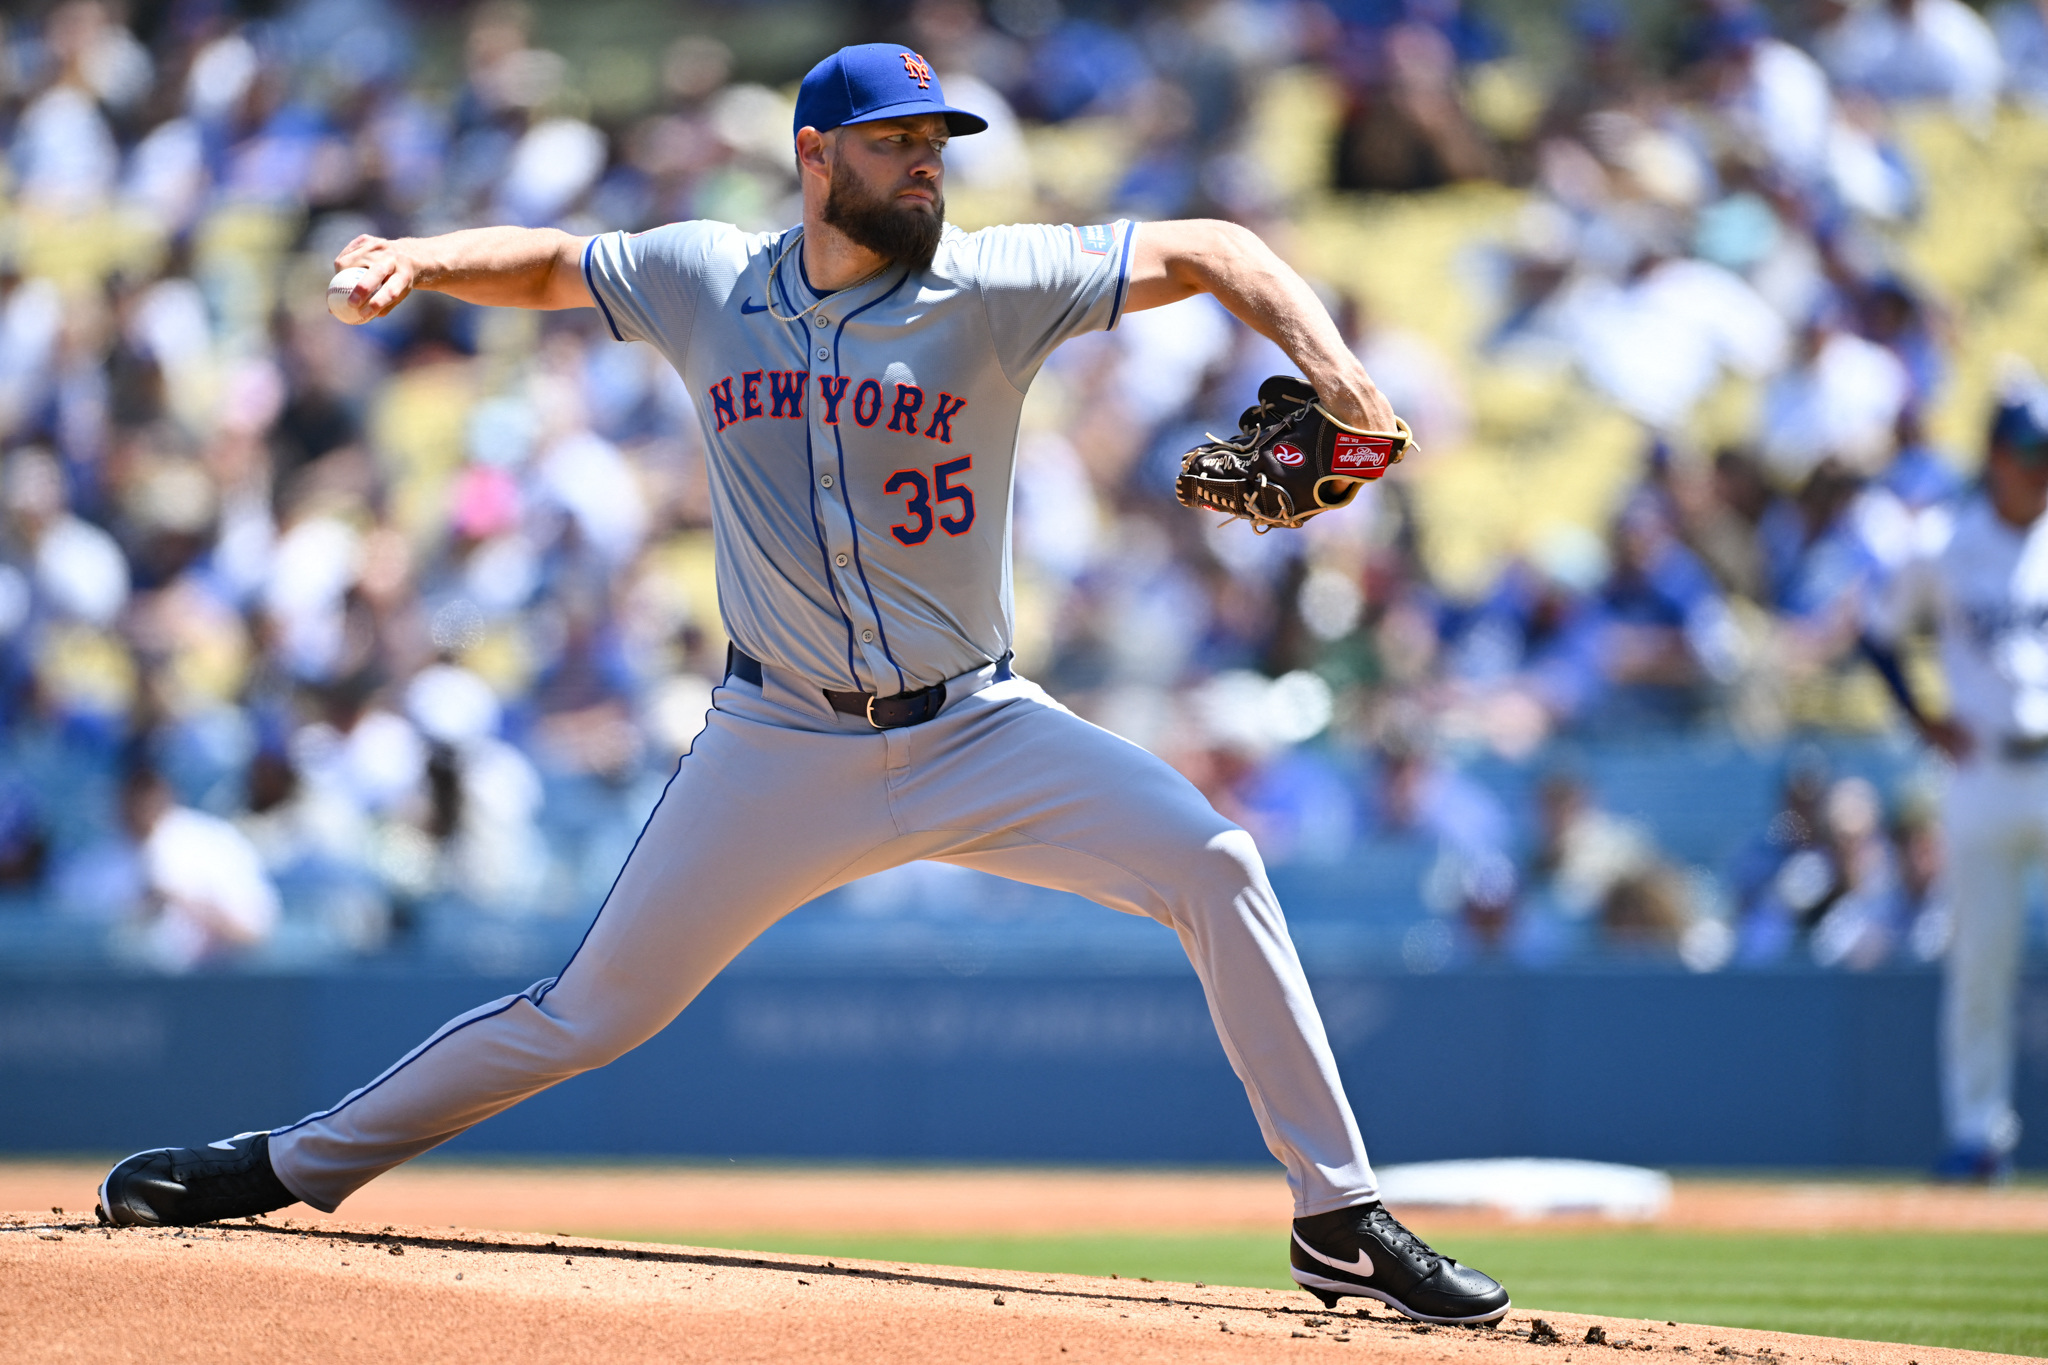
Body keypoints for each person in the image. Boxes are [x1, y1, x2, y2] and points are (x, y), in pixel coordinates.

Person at [94, 44, 1510, 1324]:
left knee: (1216, 859)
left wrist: (1344, 381)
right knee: (588, 1015)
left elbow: (1212, 247)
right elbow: (553, 266)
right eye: (896, 141)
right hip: (776, 738)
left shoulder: (992, 286)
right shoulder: (710, 277)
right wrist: (422, 255)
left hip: (978, 724)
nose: (925, 164)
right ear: (816, 156)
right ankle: (278, 1165)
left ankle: (1338, 1215)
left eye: (936, 143)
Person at [1861, 381, 2048, 1183]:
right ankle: (1980, 1134)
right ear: (1996, 457)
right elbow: (1877, 637)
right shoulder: (1940, 542)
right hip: (1981, 770)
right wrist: (1923, 718)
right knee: (1981, 962)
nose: (2042, 472)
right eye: (2032, 455)